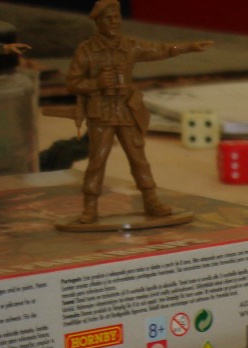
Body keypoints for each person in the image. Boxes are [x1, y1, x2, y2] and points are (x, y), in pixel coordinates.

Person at [64, 0, 212, 224]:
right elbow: (72, 83)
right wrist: (96, 83)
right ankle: (90, 206)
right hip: (101, 114)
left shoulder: (130, 46)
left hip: (126, 111)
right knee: (97, 160)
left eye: (117, 17)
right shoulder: (86, 51)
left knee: (138, 159)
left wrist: (189, 47)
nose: (114, 22)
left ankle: (151, 200)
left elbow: (161, 50)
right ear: (98, 22)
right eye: (108, 18)